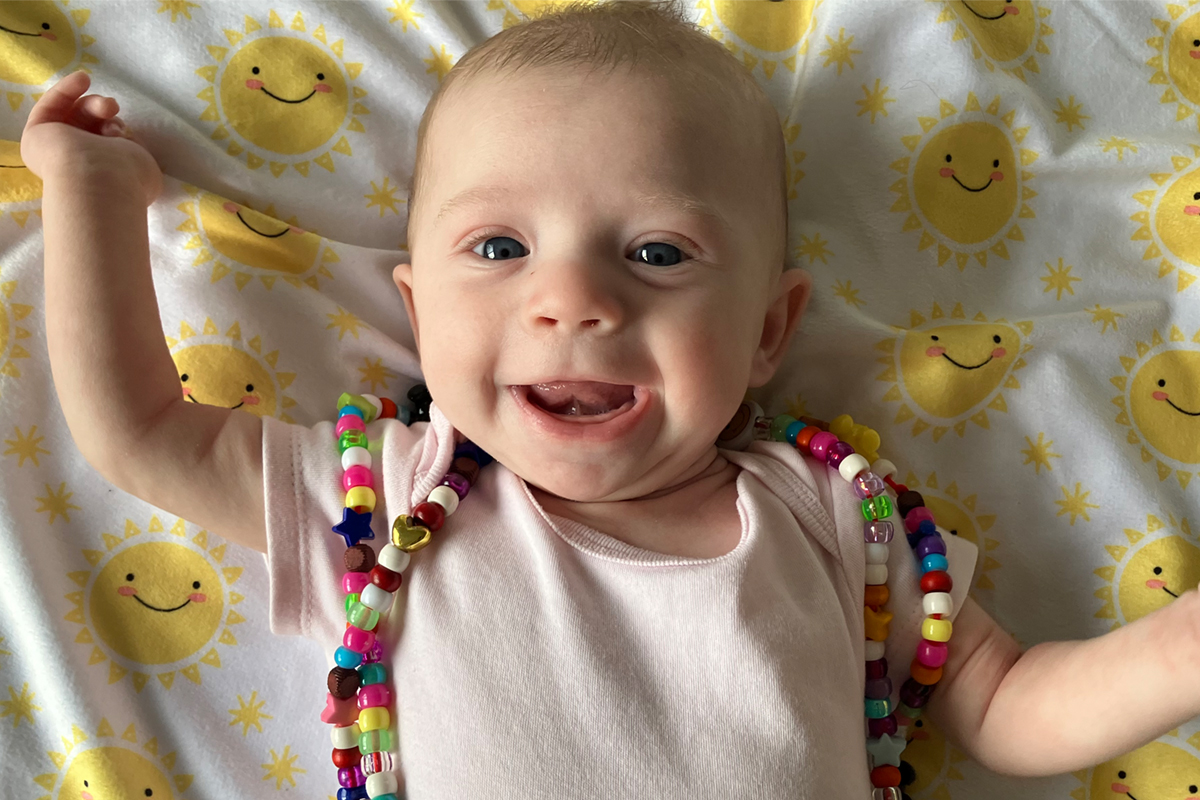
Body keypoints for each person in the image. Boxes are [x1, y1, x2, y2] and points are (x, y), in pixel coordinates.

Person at [21, 1, 1200, 797]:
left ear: (768, 333)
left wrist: (1176, 649)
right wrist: (92, 198)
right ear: (419, 314)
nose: (573, 300)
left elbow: (1008, 706)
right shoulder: (396, 497)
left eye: (657, 254)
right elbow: (142, 431)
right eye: (496, 248)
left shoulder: (842, 518)